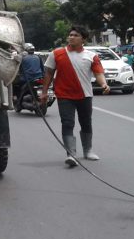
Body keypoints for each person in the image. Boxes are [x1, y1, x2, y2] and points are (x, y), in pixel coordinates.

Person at [40, 26, 110, 167]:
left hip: (85, 95)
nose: (71, 37)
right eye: (70, 35)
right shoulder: (56, 53)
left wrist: (104, 84)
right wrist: (44, 92)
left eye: (76, 35)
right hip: (64, 95)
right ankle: (71, 154)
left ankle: (88, 150)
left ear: (83, 39)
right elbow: (48, 73)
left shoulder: (91, 56)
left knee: (86, 123)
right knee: (67, 123)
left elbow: (98, 73)